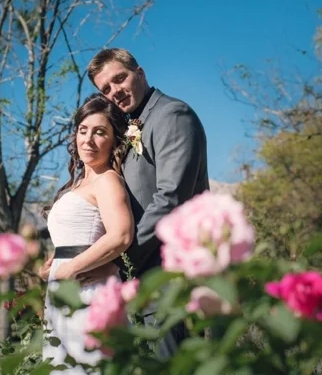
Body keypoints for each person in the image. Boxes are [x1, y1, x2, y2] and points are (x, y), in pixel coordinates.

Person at [79, 47, 209, 358]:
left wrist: (119, 261)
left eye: (119, 79)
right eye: (106, 89)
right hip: (142, 282)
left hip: (170, 277)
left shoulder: (172, 115)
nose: (115, 92)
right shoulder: (129, 127)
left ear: (140, 73)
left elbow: (170, 198)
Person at [38, 94, 134, 373]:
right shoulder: (79, 183)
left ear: (115, 140)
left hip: (89, 292)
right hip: (64, 289)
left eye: (100, 132)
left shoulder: (108, 180)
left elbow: (121, 236)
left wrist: (69, 269)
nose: (88, 140)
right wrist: (54, 264)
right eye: (83, 130)